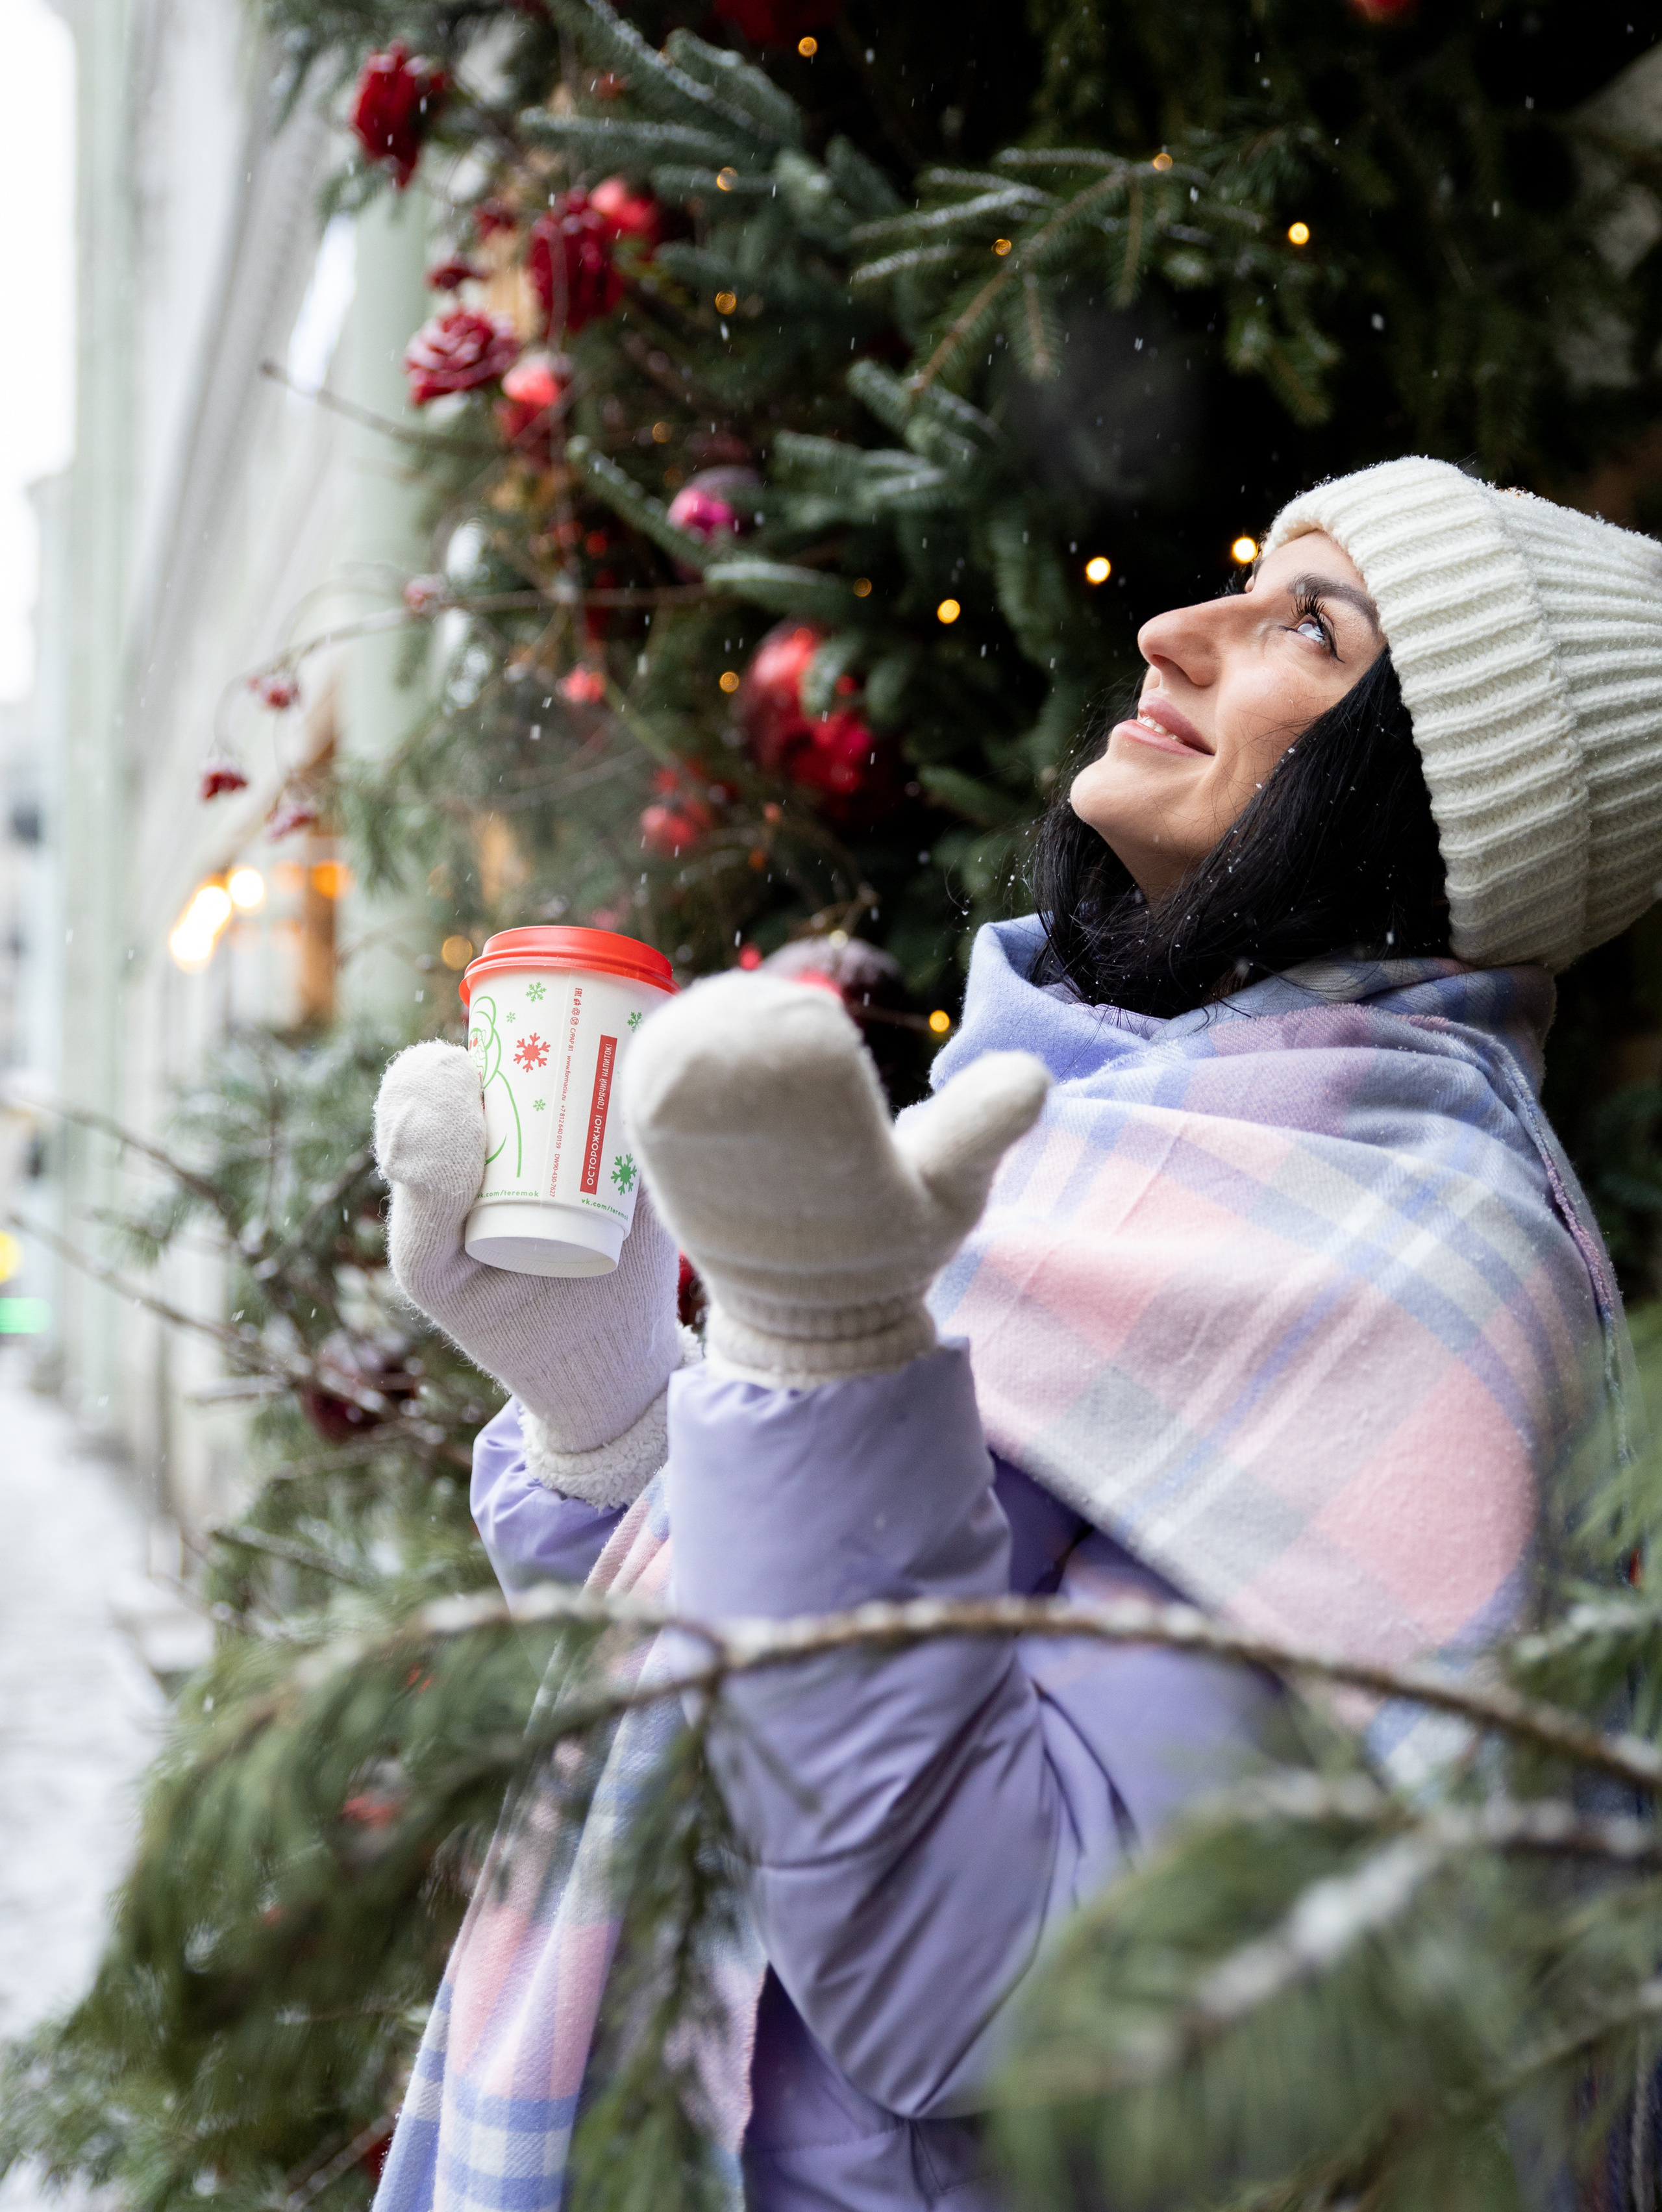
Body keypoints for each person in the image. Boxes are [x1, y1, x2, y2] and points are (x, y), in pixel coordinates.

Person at [370, 456, 1662, 2212]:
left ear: (1443, 794)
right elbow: (764, 1746)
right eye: (1244, 575)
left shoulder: (1399, 1268)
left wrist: (828, 1360)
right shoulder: (1110, 1123)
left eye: (1309, 626)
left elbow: (995, 1989)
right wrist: (612, 1421)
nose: (1174, 633)